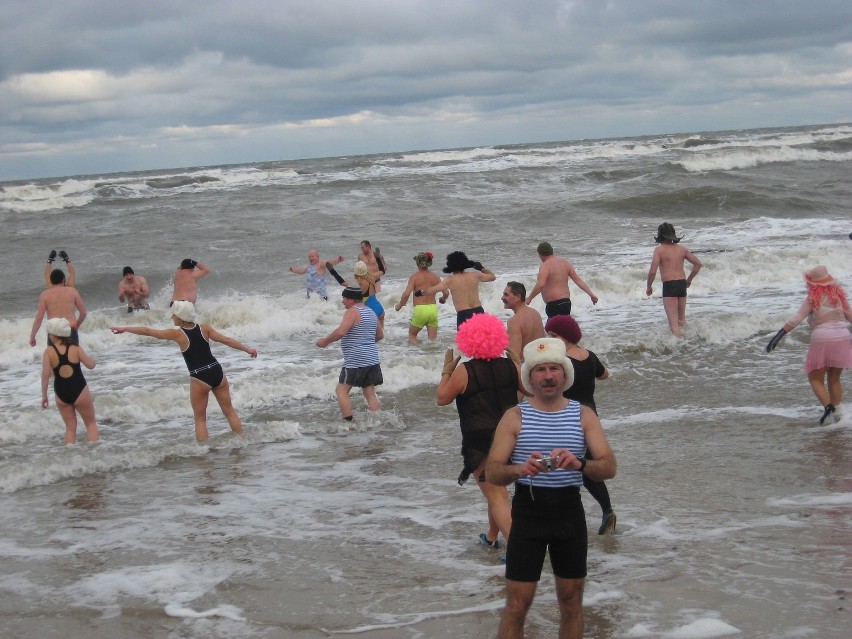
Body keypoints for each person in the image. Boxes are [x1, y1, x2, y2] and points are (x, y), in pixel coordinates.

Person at [486, 337, 617, 639]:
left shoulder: (583, 414)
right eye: (540, 370)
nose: (548, 376)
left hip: (569, 514)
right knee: (517, 606)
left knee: (571, 603)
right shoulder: (515, 416)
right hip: (528, 515)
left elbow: (609, 466)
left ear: (564, 374)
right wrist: (519, 468)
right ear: (529, 378)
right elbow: (493, 472)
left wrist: (580, 464)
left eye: (554, 369)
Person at [436, 313, 524, 553]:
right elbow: (528, 392)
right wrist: (518, 365)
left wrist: (446, 372)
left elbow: (441, 398)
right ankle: (491, 536)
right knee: (498, 493)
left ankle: (519, 552)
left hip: (480, 441)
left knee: (496, 496)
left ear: (468, 339)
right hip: (510, 436)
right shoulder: (509, 365)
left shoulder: (465, 371)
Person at [110, 301, 257, 441]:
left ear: (180, 317)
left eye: (174, 314)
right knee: (229, 411)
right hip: (216, 371)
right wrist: (247, 349)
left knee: (200, 419)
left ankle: (204, 456)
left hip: (200, 376)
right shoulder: (204, 328)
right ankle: (242, 442)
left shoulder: (178, 334)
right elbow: (227, 340)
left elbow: (149, 331)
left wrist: (126, 328)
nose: (172, 316)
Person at [546, 314, 616, 534]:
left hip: (568, 419)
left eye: (552, 335)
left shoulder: (562, 362)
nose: (549, 339)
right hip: (591, 417)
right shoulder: (589, 355)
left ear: (563, 336)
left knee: (565, 466)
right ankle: (607, 510)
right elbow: (605, 376)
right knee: (587, 468)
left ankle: (560, 518)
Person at [766, 265, 852, 425]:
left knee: (814, 377)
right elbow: (850, 315)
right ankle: (841, 418)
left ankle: (828, 407)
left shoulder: (813, 297)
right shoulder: (839, 295)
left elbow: (797, 318)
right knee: (834, 379)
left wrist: (780, 334)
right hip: (842, 337)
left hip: (822, 337)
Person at [316, 285, 384, 420]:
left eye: (344, 298)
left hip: (355, 359)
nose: (342, 301)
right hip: (372, 358)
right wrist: (366, 345)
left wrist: (325, 341)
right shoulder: (371, 312)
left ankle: (348, 421)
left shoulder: (352, 311)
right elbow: (380, 335)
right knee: (369, 392)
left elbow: (341, 331)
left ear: (351, 300)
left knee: (341, 390)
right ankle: (377, 419)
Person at [40, 317, 100, 445]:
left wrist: (44, 396)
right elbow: (90, 365)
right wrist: (93, 360)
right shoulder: (75, 348)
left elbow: (45, 375)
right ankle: (95, 454)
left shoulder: (49, 352)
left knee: (70, 429)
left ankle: (69, 458)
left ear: (54, 335)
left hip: (61, 392)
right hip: (79, 389)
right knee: (91, 424)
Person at [645, 223, 702, 336]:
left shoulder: (659, 250)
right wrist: (689, 280)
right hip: (681, 284)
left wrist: (649, 286)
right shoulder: (682, 249)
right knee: (681, 321)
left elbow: (652, 271)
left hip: (669, 285)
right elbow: (698, 264)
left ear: (660, 235)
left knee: (673, 324)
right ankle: (692, 343)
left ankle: (681, 347)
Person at [420, 251, 496, 328]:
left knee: (464, 339)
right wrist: (481, 268)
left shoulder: (450, 280)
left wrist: (420, 292)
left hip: (464, 313)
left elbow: (431, 290)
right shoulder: (475, 275)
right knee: (480, 338)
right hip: (478, 311)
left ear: (451, 266)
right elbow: (492, 277)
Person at [526, 242, 598, 318]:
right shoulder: (565, 263)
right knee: (564, 328)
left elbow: (541, 284)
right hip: (566, 303)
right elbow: (578, 280)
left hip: (554, 305)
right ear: (552, 251)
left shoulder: (545, 266)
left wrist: (529, 298)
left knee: (554, 329)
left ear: (540, 254)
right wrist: (591, 295)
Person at [30, 263, 87, 347]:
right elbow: (83, 313)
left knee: (53, 358)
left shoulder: (45, 294)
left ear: (51, 280)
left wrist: (32, 336)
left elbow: (39, 319)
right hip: (70, 327)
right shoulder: (72, 291)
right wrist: (76, 325)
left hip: (54, 330)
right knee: (73, 358)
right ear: (64, 280)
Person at [395, 251, 447, 343]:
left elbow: (406, 294)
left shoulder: (414, 277)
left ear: (417, 263)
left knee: (412, 335)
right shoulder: (436, 277)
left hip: (420, 309)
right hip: (433, 309)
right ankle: (431, 356)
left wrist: (399, 305)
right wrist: (443, 299)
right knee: (432, 341)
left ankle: (418, 354)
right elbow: (446, 292)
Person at [327, 261, 386, 330]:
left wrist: (332, 270)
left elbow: (342, 283)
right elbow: (382, 271)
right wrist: (378, 258)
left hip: (369, 311)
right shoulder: (372, 277)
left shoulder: (357, 283)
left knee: (368, 336)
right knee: (381, 336)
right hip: (379, 309)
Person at [502, 281, 545, 355]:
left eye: (506, 295)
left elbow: (515, 354)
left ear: (518, 297)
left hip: (524, 364)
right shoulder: (535, 313)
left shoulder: (514, 321)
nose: (502, 298)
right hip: (539, 360)